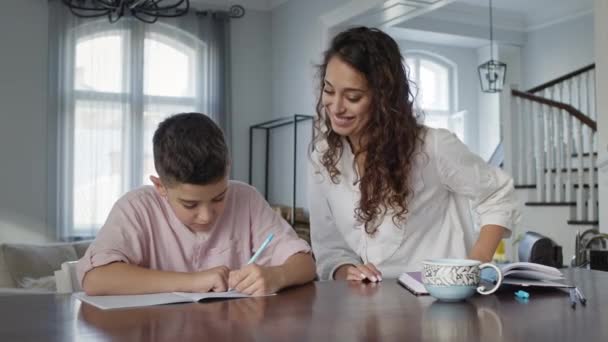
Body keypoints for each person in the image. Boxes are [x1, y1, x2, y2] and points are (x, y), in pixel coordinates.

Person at [309, 27, 520, 282]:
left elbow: (497, 193)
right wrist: (347, 272)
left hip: (440, 299)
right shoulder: (323, 157)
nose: (336, 107)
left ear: (384, 98)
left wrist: (476, 262)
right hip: (370, 307)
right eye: (329, 91)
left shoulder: (432, 146)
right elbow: (329, 247)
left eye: (353, 97)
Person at [77, 113, 315, 295]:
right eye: (190, 205)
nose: (206, 216)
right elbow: (95, 278)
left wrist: (277, 276)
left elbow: (305, 263)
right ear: (161, 187)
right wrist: (195, 281)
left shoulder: (246, 198)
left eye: (219, 198)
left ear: (228, 169)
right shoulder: (137, 207)